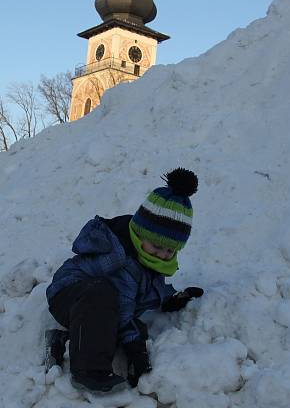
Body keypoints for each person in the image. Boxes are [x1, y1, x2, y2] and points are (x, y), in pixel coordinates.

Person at [45, 168, 204, 393]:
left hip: (92, 304)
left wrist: (170, 299)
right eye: (157, 246)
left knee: (122, 323)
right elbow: (123, 306)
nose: (162, 254)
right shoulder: (123, 260)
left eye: (170, 250)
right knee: (108, 302)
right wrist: (135, 348)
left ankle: (62, 341)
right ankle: (88, 371)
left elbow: (146, 287)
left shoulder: (147, 259)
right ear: (140, 234)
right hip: (68, 294)